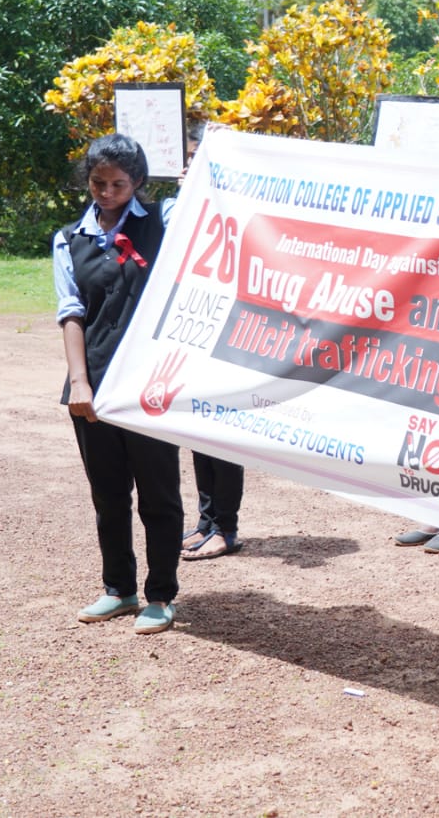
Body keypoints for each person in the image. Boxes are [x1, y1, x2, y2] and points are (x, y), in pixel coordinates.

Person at [54, 133, 183, 634]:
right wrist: (79, 383)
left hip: (151, 385)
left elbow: (206, 209)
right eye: (97, 183)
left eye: (118, 185)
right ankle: (119, 589)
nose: (106, 194)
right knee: (108, 494)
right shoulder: (69, 239)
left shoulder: (164, 221)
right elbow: (71, 313)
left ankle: (161, 595)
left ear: (139, 182)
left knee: (159, 495)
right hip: (95, 383)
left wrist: (209, 163)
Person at [176, 122, 248, 561]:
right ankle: (207, 521)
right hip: (195, 330)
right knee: (199, 430)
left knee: (223, 433)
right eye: (187, 159)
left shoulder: (238, 202)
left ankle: (226, 527)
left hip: (231, 334)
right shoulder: (183, 206)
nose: (189, 166)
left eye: (198, 158)